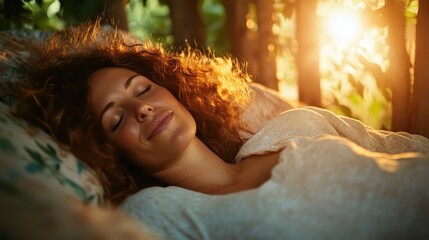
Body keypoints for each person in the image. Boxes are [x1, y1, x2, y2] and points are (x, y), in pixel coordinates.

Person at [13, 20, 429, 212]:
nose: (141, 108)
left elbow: (407, 147)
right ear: (106, 153)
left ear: (172, 91)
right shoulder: (156, 213)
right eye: (115, 120)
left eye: (142, 89)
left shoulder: (293, 126)